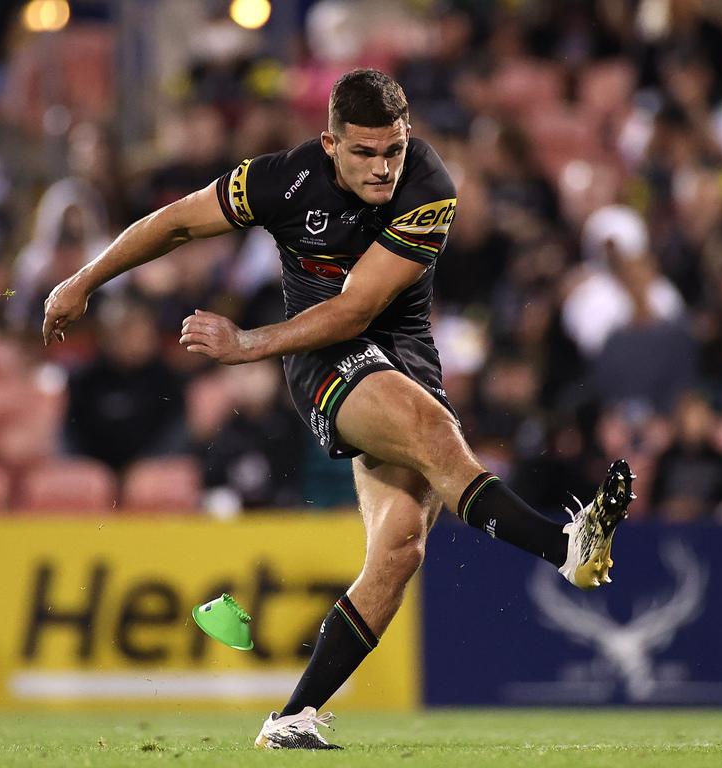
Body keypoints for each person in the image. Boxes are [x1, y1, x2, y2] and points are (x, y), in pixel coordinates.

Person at [42, 69, 635, 750]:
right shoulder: (283, 180)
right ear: (330, 143)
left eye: (394, 149)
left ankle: (290, 719)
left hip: (402, 357)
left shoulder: (429, 187)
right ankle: (567, 547)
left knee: (400, 551)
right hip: (323, 359)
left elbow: (360, 305)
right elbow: (175, 223)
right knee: (434, 434)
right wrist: (83, 279)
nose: (383, 168)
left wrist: (245, 344)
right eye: (365, 153)